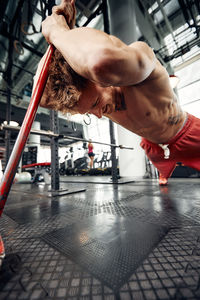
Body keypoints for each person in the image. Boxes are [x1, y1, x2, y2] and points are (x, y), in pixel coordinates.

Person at [34, 0, 200, 186]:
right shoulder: (97, 100)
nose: (98, 115)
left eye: (96, 103)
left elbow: (100, 61)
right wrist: (57, 44)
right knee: (163, 179)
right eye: (89, 113)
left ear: (98, 78)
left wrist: (58, 32)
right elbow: (40, 97)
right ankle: (164, 172)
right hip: (153, 145)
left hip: (188, 134)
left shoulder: (141, 63)